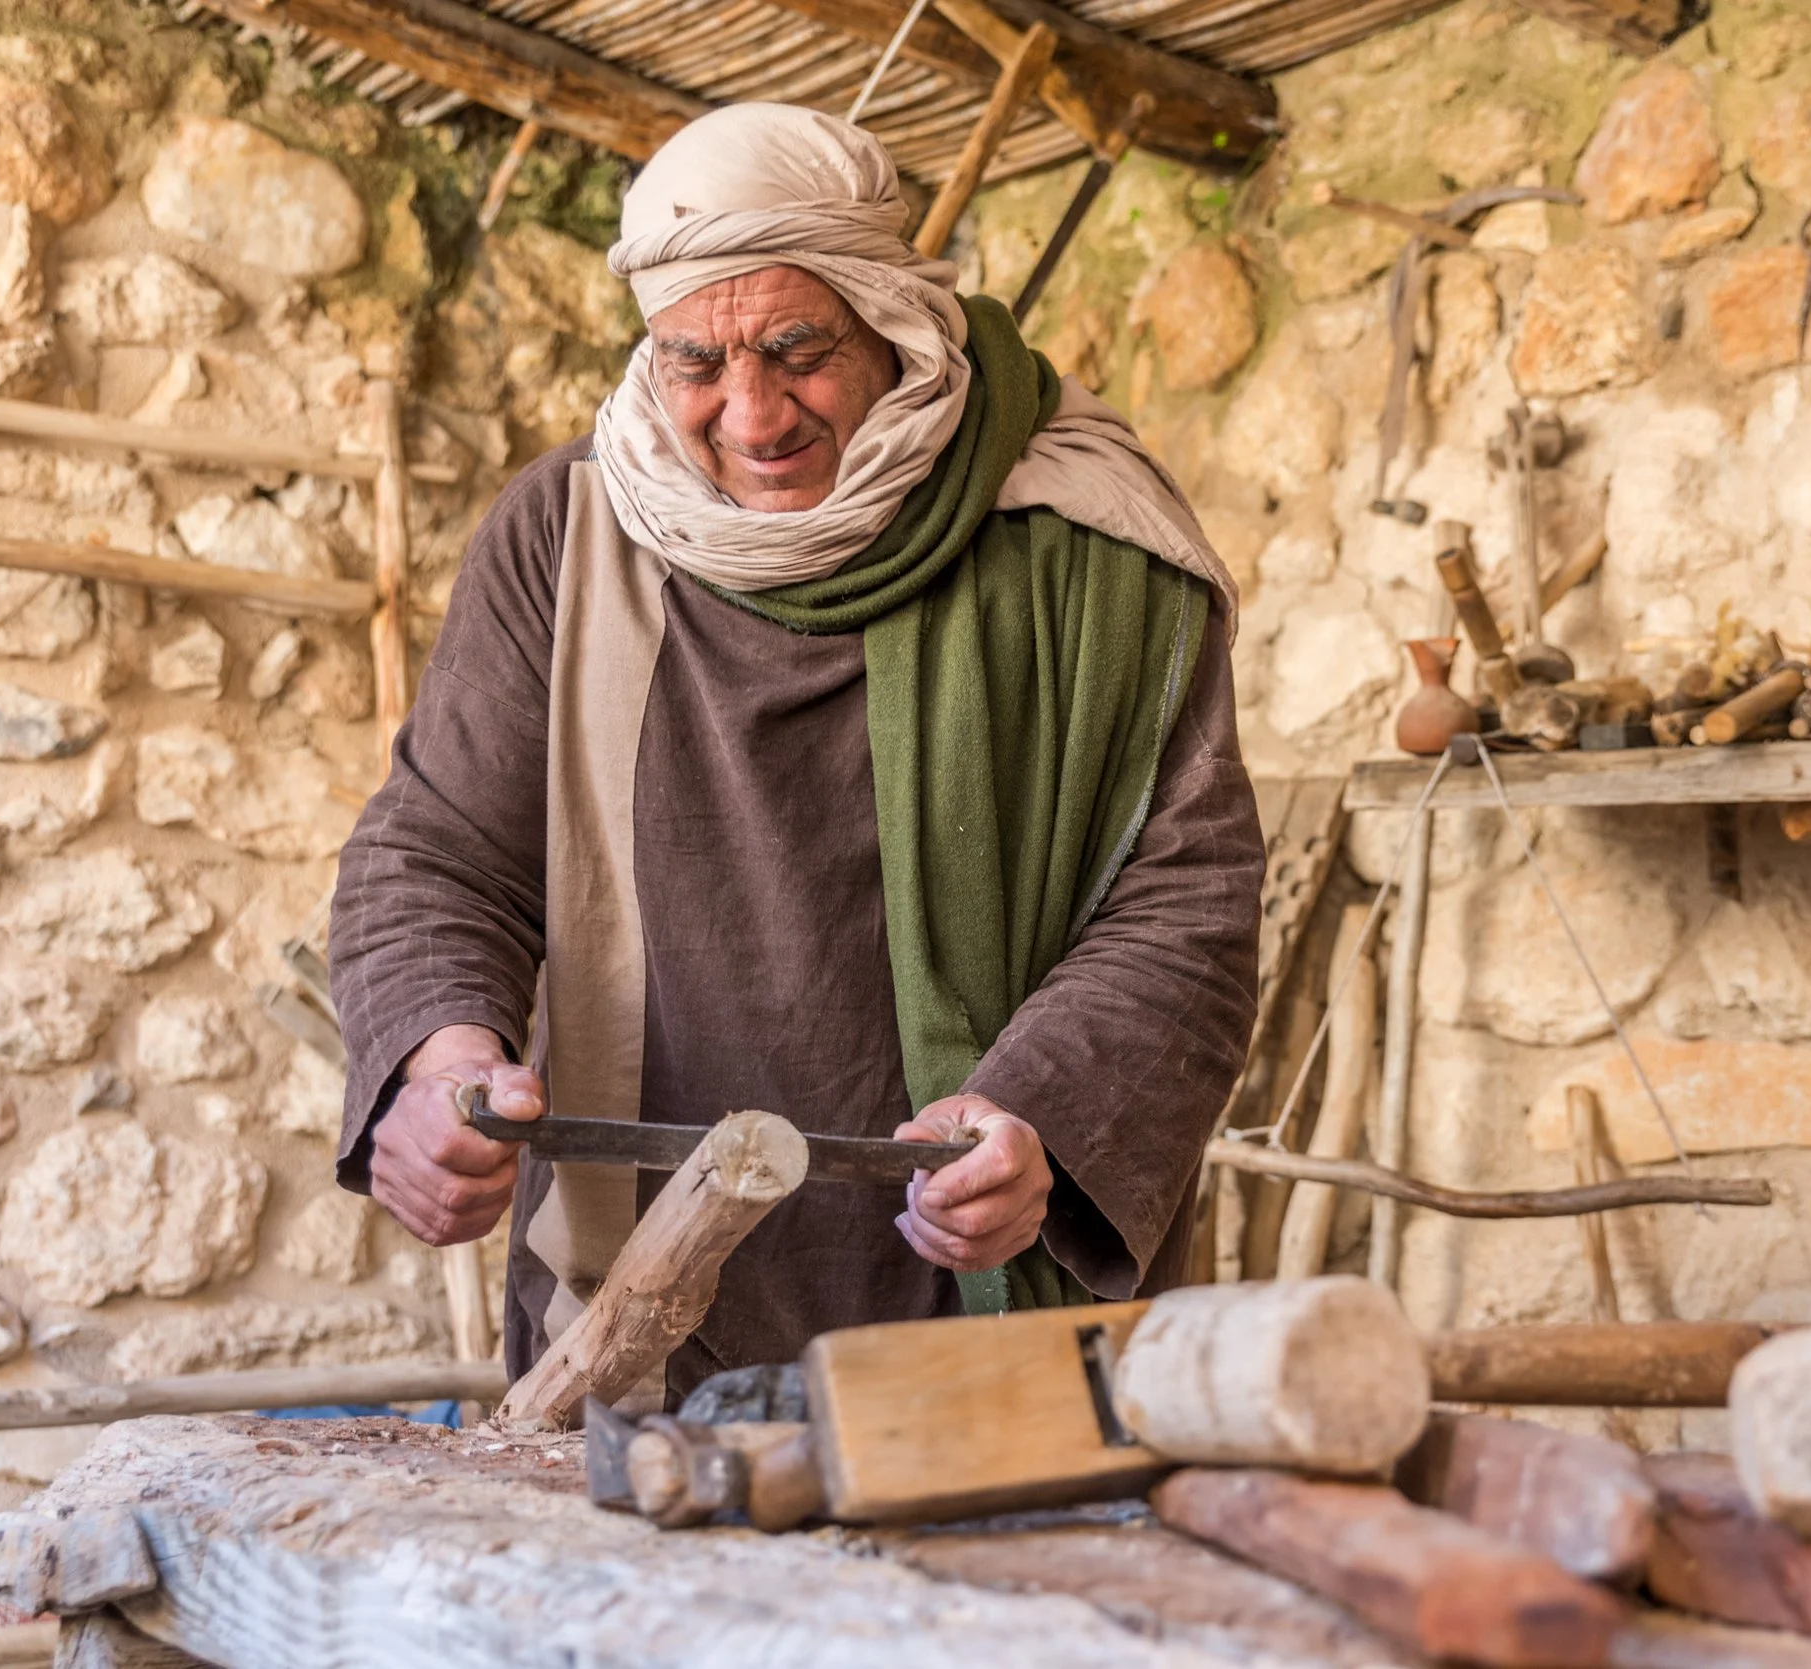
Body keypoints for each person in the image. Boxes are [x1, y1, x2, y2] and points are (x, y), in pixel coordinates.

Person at [327, 103, 1261, 1394]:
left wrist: (1038, 1117)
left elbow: (1182, 895)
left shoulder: (1083, 547)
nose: (752, 416)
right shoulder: (567, 536)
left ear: (891, 319)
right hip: (631, 1297)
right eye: (695, 363)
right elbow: (438, 851)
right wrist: (438, 1066)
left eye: (797, 349)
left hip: (992, 1264)